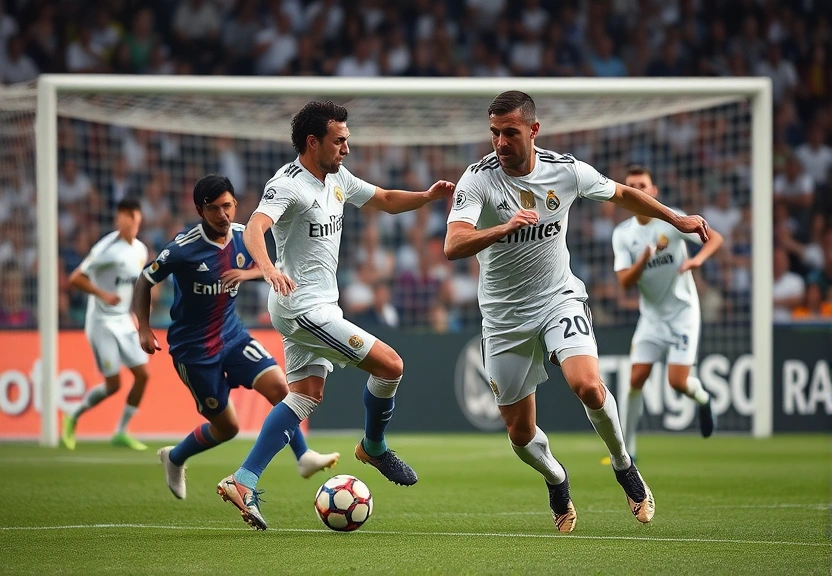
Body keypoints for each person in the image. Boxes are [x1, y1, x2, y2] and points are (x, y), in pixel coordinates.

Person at [444, 91, 712, 533]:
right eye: (494, 133)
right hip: (503, 318)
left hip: (558, 298)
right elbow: (452, 246)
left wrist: (675, 219)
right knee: (519, 433)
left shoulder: (565, 171)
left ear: (533, 130)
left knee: (587, 385)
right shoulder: (478, 180)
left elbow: (624, 194)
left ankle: (625, 467)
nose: (500, 142)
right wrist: (502, 227)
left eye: (510, 132)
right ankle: (557, 478)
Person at [216, 101, 455, 530]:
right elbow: (254, 227)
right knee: (391, 365)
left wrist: (426, 197)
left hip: (321, 304)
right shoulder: (288, 184)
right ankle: (374, 446)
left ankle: (244, 479)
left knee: (306, 395)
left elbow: (381, 198)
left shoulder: (337, 177)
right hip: (301, 306)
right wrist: (268, 269)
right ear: (313, 142)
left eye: (347, 138)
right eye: (339, 140)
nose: (347, 147)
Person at [132, 174, 339, 500]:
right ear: (201, 210)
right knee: (228, 428)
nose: (223, 214)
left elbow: (270, 266)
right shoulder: (183, 249)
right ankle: (174, 458)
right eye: (214, 208)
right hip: (194, 350)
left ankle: (303, 457)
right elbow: (145, 280)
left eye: (228, 206)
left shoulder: (245, 236)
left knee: (281, 388)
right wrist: (143, 327)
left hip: (232, 335)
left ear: (235, 205)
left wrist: (249, 273)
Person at [611, 165, 722, 464]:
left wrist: (697, 260)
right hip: (651, 317)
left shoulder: (672, 220)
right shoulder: (622, 235)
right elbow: (624, 282)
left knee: (677, 382)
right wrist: (645, 257)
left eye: (642, 185)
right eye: (631, 186)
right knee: (636, 378)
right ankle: (628, 450)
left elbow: (716, 239)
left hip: (683, 312)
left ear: (653, 190)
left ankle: (703, 398)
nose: (637, 190)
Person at [62, 198, 150, 451]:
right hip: (101, 322)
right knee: (114, 385)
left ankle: (121, 432)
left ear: (139, 219)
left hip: (124, 319)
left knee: (143, 375)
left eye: (134, 217)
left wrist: (137, 310)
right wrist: (102, 294)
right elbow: (75, 278)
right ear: (118, 219)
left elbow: (135, 283)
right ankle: (72, 416)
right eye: (125, 217)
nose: (130, 222)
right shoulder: (106, 249)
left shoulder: (140, 250)